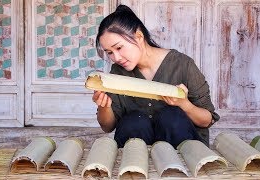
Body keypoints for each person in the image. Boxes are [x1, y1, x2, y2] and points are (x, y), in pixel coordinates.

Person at [92, 4, 220, 148]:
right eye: (109, 52)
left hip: (183, 155)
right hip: (137, 158)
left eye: (119, 48)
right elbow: (107, 127)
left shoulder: (183, 64)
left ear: (139, 36)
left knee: (171, 118)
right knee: (134, 122)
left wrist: (184, 104)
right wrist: (104, 106)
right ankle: (134, 168)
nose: (116, 57)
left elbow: (207, 120)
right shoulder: (118, 72)